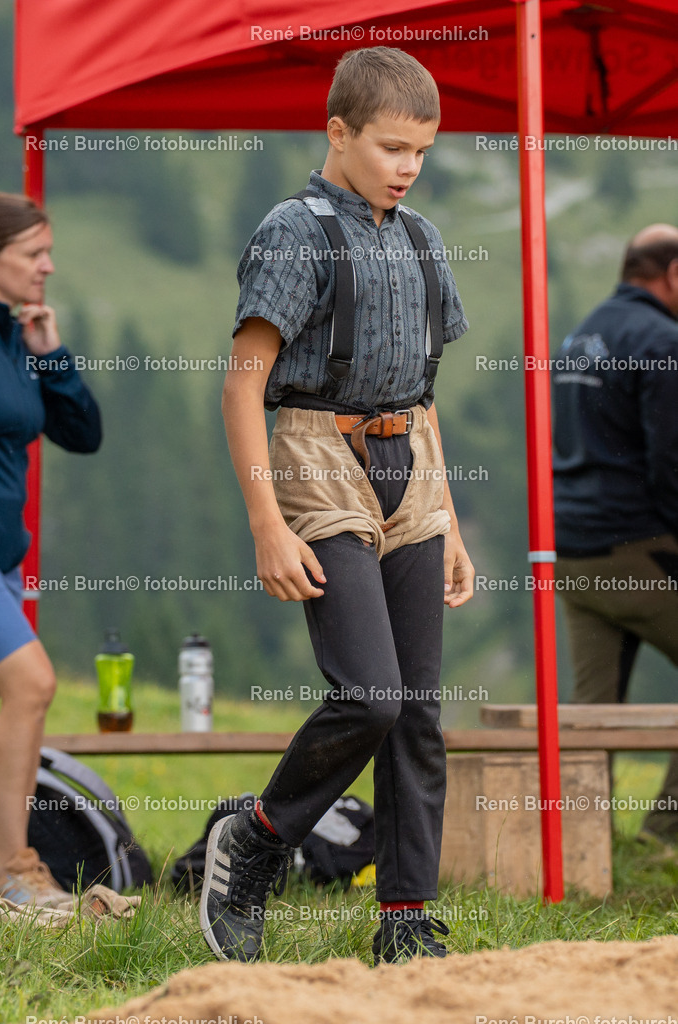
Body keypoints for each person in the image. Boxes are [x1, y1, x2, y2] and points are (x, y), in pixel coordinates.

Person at [199, 46, 474, 964]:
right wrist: (265, 523)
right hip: (317, 457)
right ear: (338, 133)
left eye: (421, 153)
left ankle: (404, 918)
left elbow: (424, 392)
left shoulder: (423, 237)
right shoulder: (294, 231)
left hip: (416, 468)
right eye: (392, 147)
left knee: (420, 710)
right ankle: (259, 837)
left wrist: (449, 524)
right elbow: (244, 388)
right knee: (372, 694)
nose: (407, 166)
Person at [552, 223, 678, 844]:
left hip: (571, 555)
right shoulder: (663, 340)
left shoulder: (582, 335)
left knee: (591, 712)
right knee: (591, 712)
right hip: (638, 551)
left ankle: (580, 850)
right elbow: (671, 465)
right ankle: (663, 841)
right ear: (673, 274)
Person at [0, 192, 102, 905]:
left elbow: (82, 433)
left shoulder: (14, 338)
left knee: (25, 692)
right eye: (34, 253)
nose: (48, 266)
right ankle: (15, 870)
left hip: (3, 559)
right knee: (32, 684)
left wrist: (49, 354)